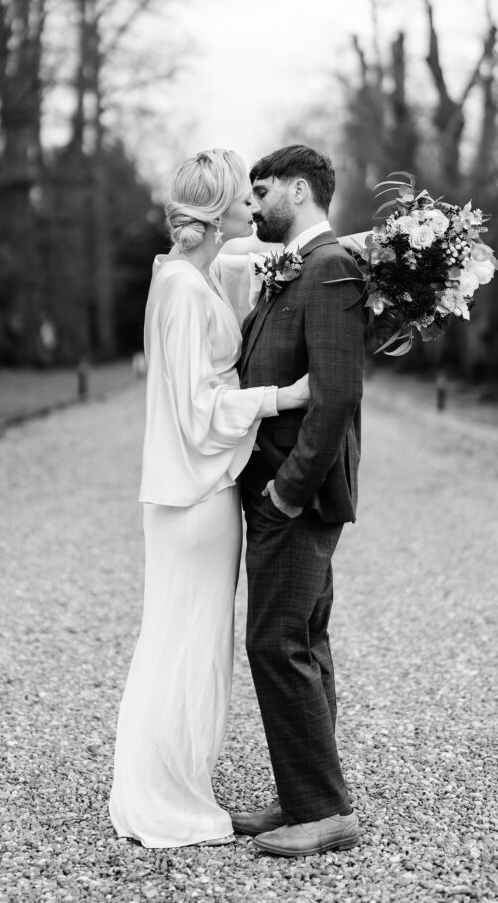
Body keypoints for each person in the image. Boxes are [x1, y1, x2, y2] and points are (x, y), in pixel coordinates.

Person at [108, 148, 310, 849]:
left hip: (176, 497)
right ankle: (168, 796)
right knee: (189, 647)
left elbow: (261, 253)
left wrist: (380, 246)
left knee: (172, 638)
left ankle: (165, 781)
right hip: (197, 496)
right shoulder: (190, 291)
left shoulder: (179, 275)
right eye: (242, 199)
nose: (254, 208)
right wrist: (280, 396)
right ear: (218, 208)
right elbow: (200, 406)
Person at [231, 145, 367, 857]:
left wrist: (287, 492)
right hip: (281, 491)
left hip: (297, 497)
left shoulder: (330, 266)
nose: (251, 207)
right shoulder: (297, 268)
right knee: (302, 643)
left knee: (273, 642)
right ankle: (301, 795)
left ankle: (324, 811)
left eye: (259, 193)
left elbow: (337, 394)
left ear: (297, 189)